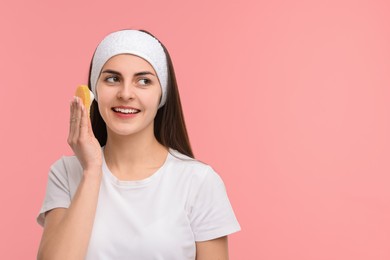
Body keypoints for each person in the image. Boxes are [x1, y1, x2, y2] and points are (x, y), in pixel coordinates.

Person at [37, 29, 240, 260]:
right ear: (94, 90)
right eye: (112, 79)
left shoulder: (199, 181)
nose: (125, 94)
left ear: (161, 94)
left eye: (143, 81)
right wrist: (92, 171)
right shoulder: (65, 173)